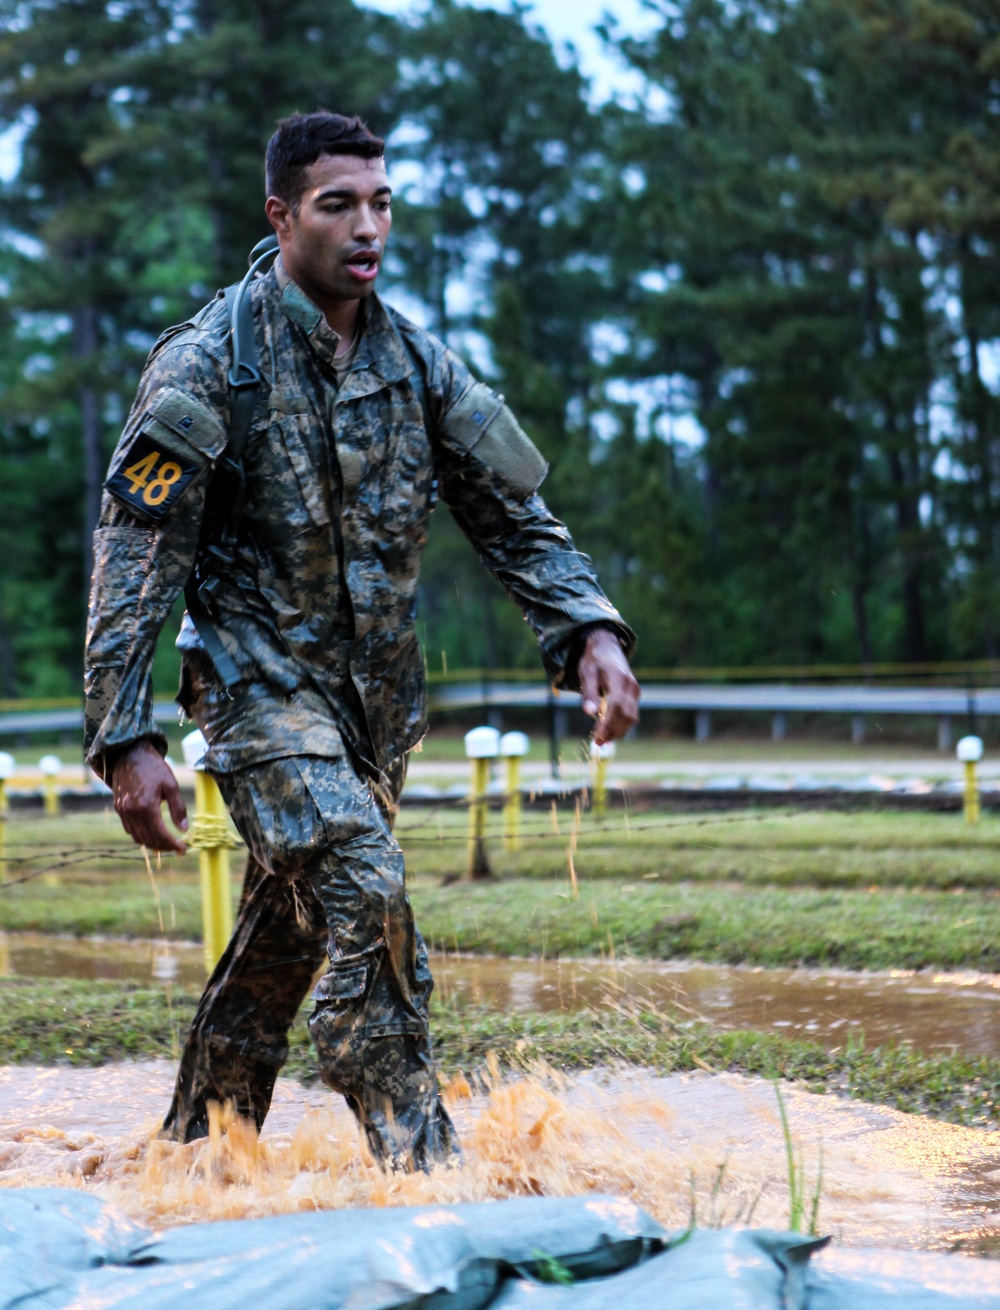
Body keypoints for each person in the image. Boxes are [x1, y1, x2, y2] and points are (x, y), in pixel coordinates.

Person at [84, 111, 640, 1171]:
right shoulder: (210, 366)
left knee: (285, 939)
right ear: (281, 214)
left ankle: (196, 1155)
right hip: (255, 696)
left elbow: (511, 512)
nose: (367, 226)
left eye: (381, 202)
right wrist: (124, 734)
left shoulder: (417, 362)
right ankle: (421, 1174)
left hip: (374, 710)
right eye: (339, 204)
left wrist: (588, 629)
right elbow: (135, 553)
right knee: (364, 885)